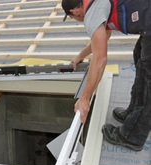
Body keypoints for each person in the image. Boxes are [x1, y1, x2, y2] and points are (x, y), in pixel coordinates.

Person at [62, 0, 151, 152]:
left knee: (148, 81)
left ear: (75, 11)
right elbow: (104, 35)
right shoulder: (95, 3)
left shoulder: (91, 13)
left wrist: (84, 98)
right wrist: (80, 56)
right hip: (147, 23)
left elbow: (100, 59)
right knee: (140, 57)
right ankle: (132, 114)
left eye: (72, 17)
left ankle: (132, 136)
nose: (76, 20)